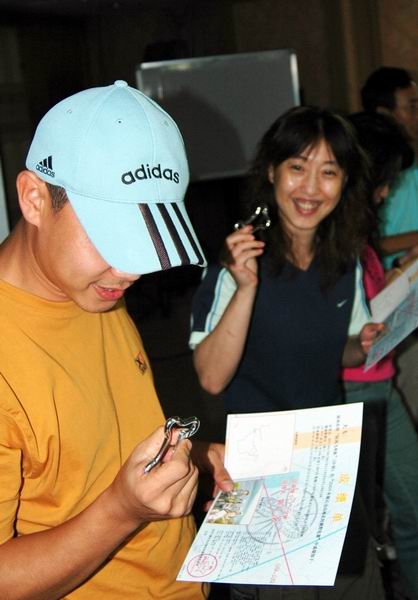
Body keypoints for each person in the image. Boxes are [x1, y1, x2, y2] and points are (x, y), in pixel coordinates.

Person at [0, 80, 233, 599]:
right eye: (113, 238)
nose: (131, 270)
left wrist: (193, 461)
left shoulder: (94, 287)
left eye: (147, 241)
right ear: (35, 198)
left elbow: (99, 453)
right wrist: (123, 510)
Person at [190, 106, 385, 600]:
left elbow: (335, 352)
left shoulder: (346, 258)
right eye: (298, 167)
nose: (311, 188)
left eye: (329, 172)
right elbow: (211, 377)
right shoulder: (238, 260)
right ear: (272, 172)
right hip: (260, 465)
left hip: (328, 457)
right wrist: (245, 287)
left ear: (345, 182)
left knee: (355, 585)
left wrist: (360, 344)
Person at [342, 111, 418, 600]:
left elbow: (366, 307)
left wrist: (401, 278)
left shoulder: (357, 233)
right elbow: (343, 330)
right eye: (384, 181)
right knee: (392, 516)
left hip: (377, 382)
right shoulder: (336, 237)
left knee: (409, 510)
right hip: (358, 389)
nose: (387, 192)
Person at [361, 66, 418, 424]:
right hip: (384, 316)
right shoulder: (374, 179)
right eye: (411, 106)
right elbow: (371, 247)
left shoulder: (406, 167)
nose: (417, 115)